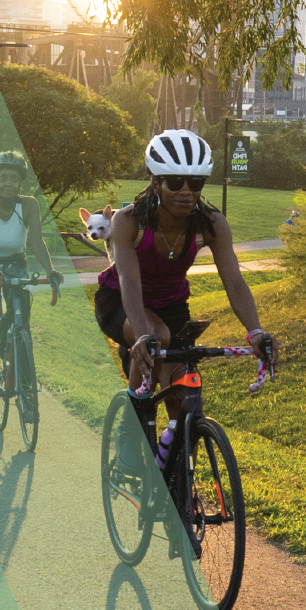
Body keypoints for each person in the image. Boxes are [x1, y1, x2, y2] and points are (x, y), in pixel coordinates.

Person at [95, 128, 278, 409]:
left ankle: (176, 447)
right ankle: (131, 430)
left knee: (184, 401)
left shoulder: (212, 224)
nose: (186, 191)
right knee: (157, 337)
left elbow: (235, 282)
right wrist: (143, 334)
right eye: (175, 182)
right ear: (156, 183)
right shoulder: (128, 220)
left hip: (172, 306)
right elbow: (128, 282)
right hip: (122, 302)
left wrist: (256, 331)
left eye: (195, 182)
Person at [0, 151, 61, 372]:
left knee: (22, 304)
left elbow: (37, 243)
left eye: (14, 178)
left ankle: (17, 347)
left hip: (15, 260)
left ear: (20, 182)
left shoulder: (29, 205)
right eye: (4, 177)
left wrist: (51, 270)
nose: (9, 183)